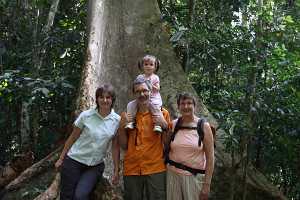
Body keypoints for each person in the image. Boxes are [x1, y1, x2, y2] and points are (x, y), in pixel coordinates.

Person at [55, 84, 121, 200]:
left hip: (95, 166)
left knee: (80, 196)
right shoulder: (86, 116)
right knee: (66, 196)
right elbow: (72, 138)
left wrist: (116, 170)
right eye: (101, 97)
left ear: (112, 99)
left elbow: (115, 147)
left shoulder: (117, 120)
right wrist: (61, 158)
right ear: (97, 99)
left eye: (108, 97)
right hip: (74, 161)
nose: (104, 100)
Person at [118, 76, 171, 200]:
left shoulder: (163, 113)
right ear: (134, 94)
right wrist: (121, 128)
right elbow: (124, 145)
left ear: (150, 91)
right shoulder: (127, 115)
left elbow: (167, 143)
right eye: (138, 91)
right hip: (132, 168)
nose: (142, 94)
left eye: (145, 90)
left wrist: (164, 125)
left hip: (155, 168)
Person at [166, 93, 214, 200]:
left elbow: (210, 158)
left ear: (194, 106)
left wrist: (206, 185)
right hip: (172, 175)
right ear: (178, 107)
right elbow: (166, 146)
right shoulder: (174, 124)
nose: (186, 106)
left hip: (194, 177)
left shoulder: (203, 126)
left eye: (189, 103)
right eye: (182, 103)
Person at [125, 55, 164, 133]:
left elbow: (158, 88)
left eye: (151, 64)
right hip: (142, 96)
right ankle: (130, 121)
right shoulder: (140, 76)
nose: (148, 66)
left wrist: (150, 85)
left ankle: (157, 124)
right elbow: (136, 85)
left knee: (155, 107)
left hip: (153, 97)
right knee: (131, 105)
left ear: (155, 67)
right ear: (142, 66)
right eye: (146, 64)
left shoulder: (155, 77)